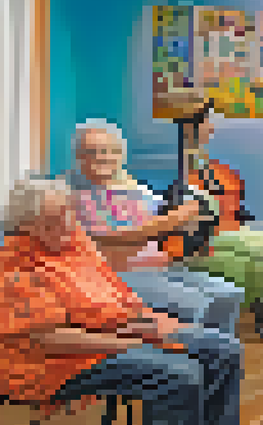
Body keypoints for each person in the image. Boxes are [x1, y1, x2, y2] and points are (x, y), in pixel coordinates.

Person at [0, 177, 247, 425]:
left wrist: (142, 320)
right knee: (179, 371)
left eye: (68, 213)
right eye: (52, 219)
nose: (66, 223)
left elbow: (114, 289)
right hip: (57, 361)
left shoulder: (77, 244)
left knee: (224, 349)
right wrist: (127, 342)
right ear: (25, 227)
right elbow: (48, 339)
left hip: (122, 330)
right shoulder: (14, 271)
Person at [68, 120, 245, 336]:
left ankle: (221, 348)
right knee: (196, 303)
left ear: (120, 155)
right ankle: (193, 351)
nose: (102, 157)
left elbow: (165, 215)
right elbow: (127, 237)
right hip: (118, 275)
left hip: (158, 267)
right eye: (92, 152)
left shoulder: (133, 188)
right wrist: (182, 214)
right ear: (79, 157)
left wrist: (194, 215)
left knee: (229, 293)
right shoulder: (77, 196)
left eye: (108, 151)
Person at [172, 101, 263, 341]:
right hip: (209, 233)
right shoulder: (181, 160)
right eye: (207, 122)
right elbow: (185, 201)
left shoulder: (202, 159)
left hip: (229, 228)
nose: (212, 127)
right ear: (192, 126)